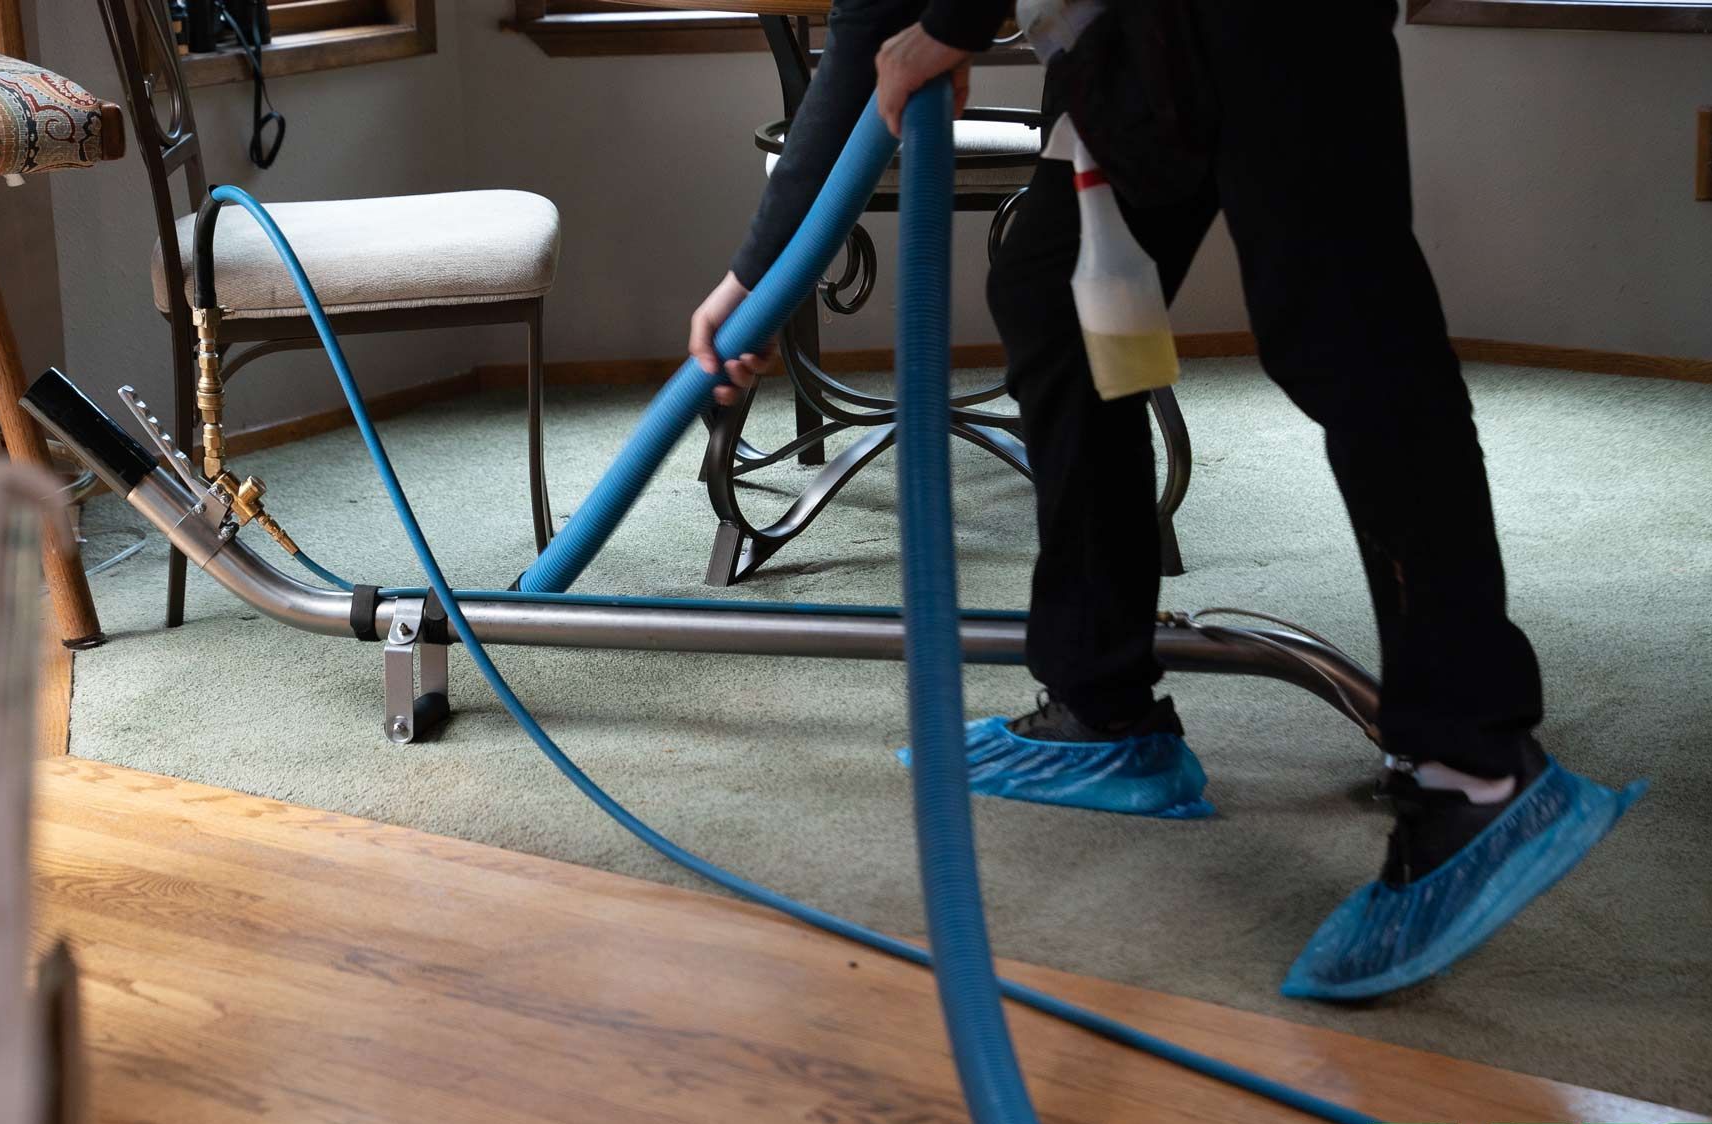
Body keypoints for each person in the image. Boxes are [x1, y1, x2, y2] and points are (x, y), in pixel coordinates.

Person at [690, 0, 1638, 998]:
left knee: (1343, 326)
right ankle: (1105, 708)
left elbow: (900, 27)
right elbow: (874, 27)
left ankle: (1475, 767)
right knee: (1056, 290)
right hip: (1132, 27)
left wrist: (957, 22)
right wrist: (756, 274)